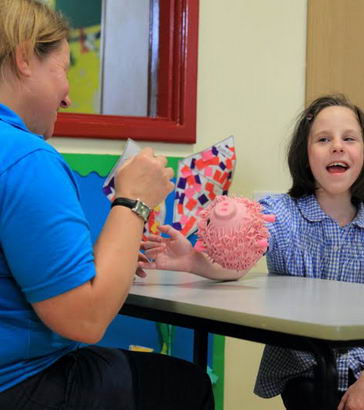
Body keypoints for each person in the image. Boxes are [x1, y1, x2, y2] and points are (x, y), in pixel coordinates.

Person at [0, 1, 215, 409]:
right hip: (18, 384)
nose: (66, 97)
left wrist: (108, 255)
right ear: (25, 57)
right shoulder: (27, 158)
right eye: (62, 69)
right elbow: (85, 319)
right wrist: (134, 200)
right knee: (185, 385)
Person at [140, 94, 364, 410]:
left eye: (349, 138)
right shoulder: (281, 213)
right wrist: (194, 262)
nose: (337, 146)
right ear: (305, 154)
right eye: (323, 139)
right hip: (305, 369)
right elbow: (238, 261)